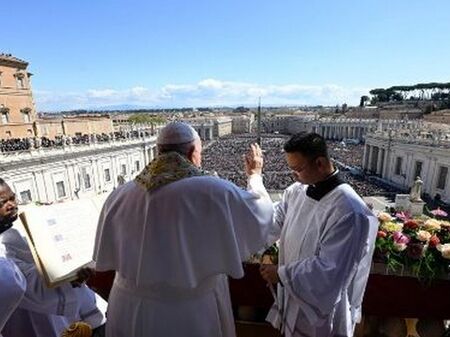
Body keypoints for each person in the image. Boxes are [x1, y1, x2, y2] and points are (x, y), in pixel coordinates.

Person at [93, 121, 274, 337]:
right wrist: (254, 175)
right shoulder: (214, 191)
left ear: (159, 151)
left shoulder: (119, 195)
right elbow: (262, 214)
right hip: (187, 311)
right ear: (192, 152)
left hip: (128, 305)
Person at [258, 133, 378, 337]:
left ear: (320, 163)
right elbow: (273, 222)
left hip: (320, 312)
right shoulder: (296, 191)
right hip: (293, 297)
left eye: (298, 169)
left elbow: (330, 271)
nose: (294, 175)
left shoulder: (348, 210)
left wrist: (281, 274)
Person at [0, 178, 107, 337]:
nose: (12, 205)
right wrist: (68, 277)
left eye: (13, 198)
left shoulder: (28, 221)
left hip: (72, 305)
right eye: (3, 202)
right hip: (32, 315)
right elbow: (19, 284)